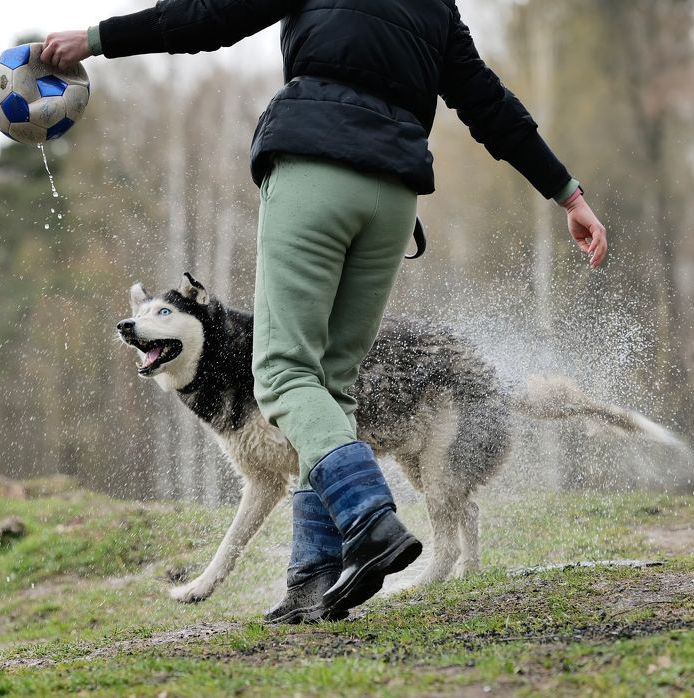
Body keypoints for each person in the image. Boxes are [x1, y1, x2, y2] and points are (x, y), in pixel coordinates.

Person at [41, 0, 608, 624]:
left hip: (316, 170)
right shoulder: (436, 9)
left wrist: (96, 39)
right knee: (330, 386)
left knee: (283, 373)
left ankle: (369, 516)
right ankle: (313, 577)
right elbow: (488, 105)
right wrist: (566, 192)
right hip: (392, 196)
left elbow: (208, 18)